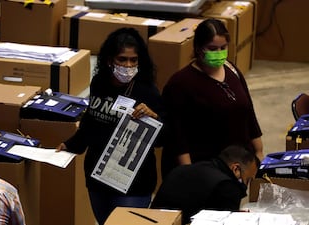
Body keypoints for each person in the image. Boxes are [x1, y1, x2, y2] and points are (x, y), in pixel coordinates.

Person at [56, 27, 164, 225]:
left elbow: (162, 139)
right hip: (98, 178)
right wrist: (72, 144)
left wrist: (153, 116)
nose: (128, 65)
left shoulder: (147, 91)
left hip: (133, 184)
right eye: (122, 59)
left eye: (133, 60)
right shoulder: (99, 82)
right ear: (109, 60)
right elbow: (91, 120)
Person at [160, 18, 263, 178]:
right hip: (204, 168)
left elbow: (248, 111)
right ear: (198, 48)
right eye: (212, 48)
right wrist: (189, 173)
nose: (219, 53)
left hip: (235, 167)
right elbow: (178, 136)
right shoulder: (181, 83)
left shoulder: (231, 69)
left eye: (223, 48)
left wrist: (259, 151)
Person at [151, 145, 260, 225]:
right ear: (235, 168)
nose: (247, 185)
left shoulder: (183, 170)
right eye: (248, 180)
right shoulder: (227, 187)